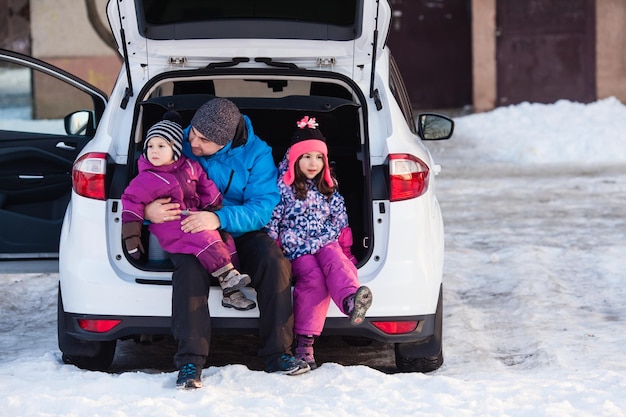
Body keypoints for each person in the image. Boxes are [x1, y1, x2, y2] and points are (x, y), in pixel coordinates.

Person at [143, 98, 311, 389]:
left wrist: (219, 219)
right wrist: (148, 213)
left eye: (203, 140)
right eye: (193, 131)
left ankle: (278, 355)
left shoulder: (257, 154)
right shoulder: (176, 141)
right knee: (190, 271)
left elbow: (262, 207)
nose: (191, 141)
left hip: (236, 226)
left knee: (275, 263)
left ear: (224, 141)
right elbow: (144, 182)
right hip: (188, 228)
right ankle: (190, 363)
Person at [265, 116, 373, 370]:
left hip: (325, 240)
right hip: (297, 247)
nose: (313, 163)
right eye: (306, 157)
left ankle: (350, 301)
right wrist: (273, 249)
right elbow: (273, 220)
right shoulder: (282, 187)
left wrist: (346, 250)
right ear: (294, 160)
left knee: (338, 262)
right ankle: (304, 344)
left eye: (318, 157)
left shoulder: (329, 185)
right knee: (314, 279)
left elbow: (341, 218)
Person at [121, 113, 256, 312]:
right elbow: (131, 202)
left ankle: (231, 292)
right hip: (170, 222)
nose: (154, 151)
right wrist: (131, 236)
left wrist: (214, 207)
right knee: (205, 236)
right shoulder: (146, 178)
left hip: (190, 214)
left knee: (224, 238)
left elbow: (205, 186)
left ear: (175, 150)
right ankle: (228, 275)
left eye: (161, 146)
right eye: (150, 146)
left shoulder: (191, 167)